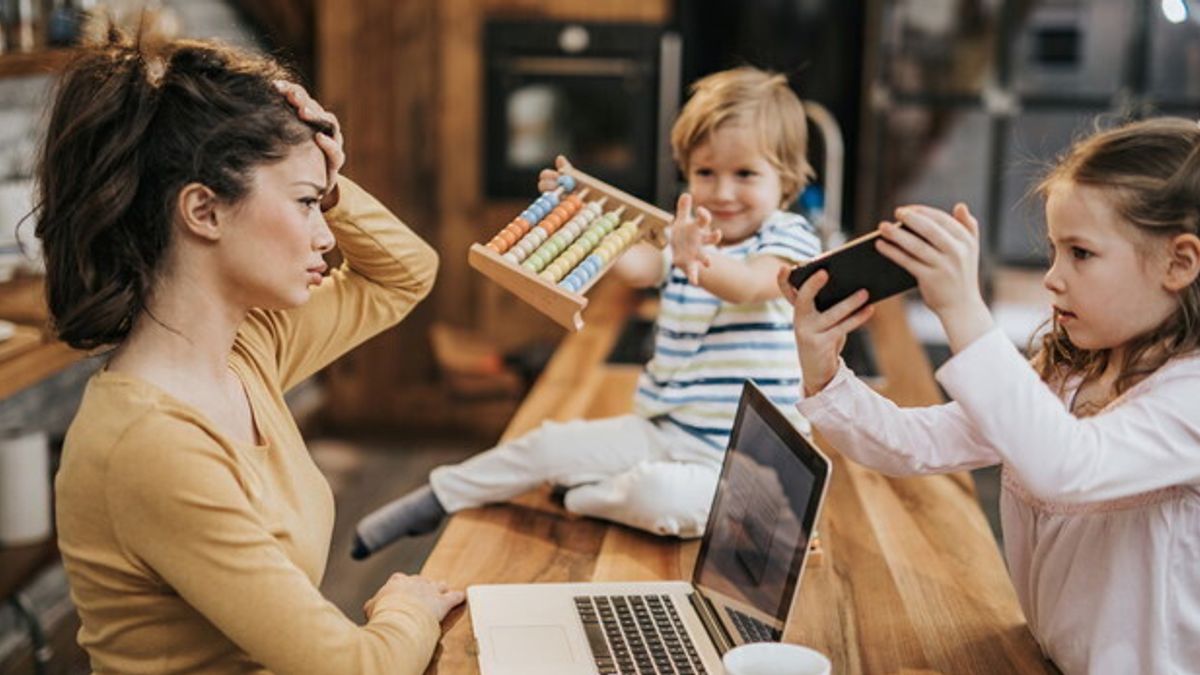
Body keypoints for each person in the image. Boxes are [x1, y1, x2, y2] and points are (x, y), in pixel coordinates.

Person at [42, 31, 463, 674]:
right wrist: (404, 603)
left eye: (323, 207)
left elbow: (405, 274)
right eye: (304, 204)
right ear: (204, 211)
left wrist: (330, 176)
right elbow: (359, 669)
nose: (326, 234)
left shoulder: (245, 350)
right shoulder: (151, 445)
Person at [782, 117, 1200, 674]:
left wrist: (961, 308)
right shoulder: (1072, 372)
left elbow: (1068, 467)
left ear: (1180, 262)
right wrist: (824, 369)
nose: (1052, 278)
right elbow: (915, 443)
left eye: (1080, 253)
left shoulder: (1190, 397)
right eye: (1054, 250)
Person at [353, 66, 823, 558]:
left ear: (785, 180)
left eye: (745, 174)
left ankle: (585, 496)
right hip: (665, 430)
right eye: (706, 173)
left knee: (662, 496)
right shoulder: (689, 235)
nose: (723, 193)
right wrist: (581, 214)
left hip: (750, 465)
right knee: (550, 445)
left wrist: (690, 255)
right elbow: (640, 266)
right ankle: (441, 494)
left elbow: (748, 285)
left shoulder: (788, 238)